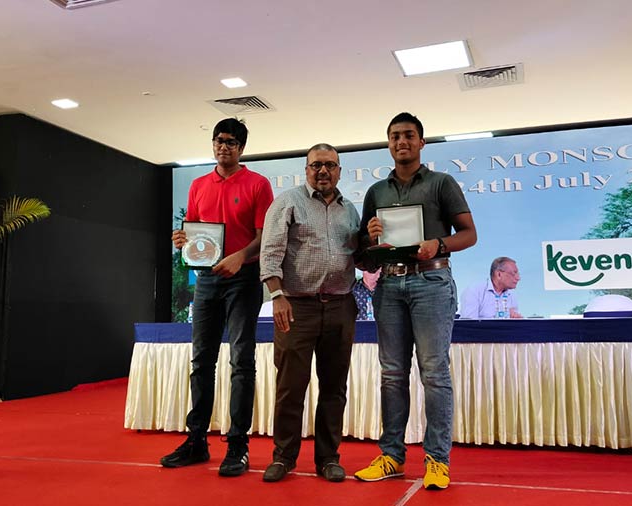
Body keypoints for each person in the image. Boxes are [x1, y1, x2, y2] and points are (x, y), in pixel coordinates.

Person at [354, 112, 477, 490]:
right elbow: (364, 256)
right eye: (394, 136)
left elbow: (470, 234)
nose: (401, 141)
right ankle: (391, 455)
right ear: (388, 143)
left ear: (421, 142)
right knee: (391, 374)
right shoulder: (377, 192)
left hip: (432, 281)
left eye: (408, 135)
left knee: (434, 373)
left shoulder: (442, 183)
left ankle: (437, 461)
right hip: (388, 286)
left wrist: (438, 244)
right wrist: (370, 238)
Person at [162, 118, 274, 477]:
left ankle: (238, 446)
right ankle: (196, 441)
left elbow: (264, 237)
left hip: (244, 279)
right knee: (201, 361)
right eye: (217, 141)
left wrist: (241, 256)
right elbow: (195, 236)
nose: (222, 147)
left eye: (229, 142)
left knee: (242, 361)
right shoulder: (197, 185)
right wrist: (182, 241)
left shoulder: (258, 184)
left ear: (241, 148)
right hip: (207, 281)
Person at [259, 143, 361, 483]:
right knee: (290, 387)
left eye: (330, 165)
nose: (323, 171)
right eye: (316, 165)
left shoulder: (350, 211)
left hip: (340, 306)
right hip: (296, 306)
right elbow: (270, 252)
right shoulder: (287, 201)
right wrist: (276, 295)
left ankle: (328, 459)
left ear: (339, 171)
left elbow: (357, 256)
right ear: (306, 170)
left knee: (334, 388)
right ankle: (284, 457)